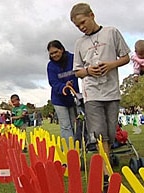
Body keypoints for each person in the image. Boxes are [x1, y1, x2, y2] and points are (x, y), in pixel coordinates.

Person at [70, 3, 130, 175]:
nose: (81, 28)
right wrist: (89, 71)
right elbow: (78, 71)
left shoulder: (111, 32)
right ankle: (106, 175)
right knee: (98, 133)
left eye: (83, 22)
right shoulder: (79, 43)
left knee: (110, 133)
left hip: (111, 91)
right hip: (92, 93)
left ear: (91, 15)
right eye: (77, 26)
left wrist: (111, 65)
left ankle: (107, 162)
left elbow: (125, 57)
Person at [47, 40, 80, 144]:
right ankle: (69, 152)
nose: (54, 55)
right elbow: (53, 82)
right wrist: (63, 87)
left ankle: (76, 147)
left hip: (73, 97)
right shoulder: (51, 66)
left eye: (56, 52)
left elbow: (80, 71)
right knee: (66, 126)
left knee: (75, 124)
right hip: (59, 100)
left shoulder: (73, 58)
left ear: (61, 49)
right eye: (51, 53)